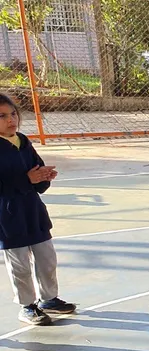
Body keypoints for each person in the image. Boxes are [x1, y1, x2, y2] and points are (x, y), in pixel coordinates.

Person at [0, 93, 75, 325]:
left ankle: (49, 299)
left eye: (13, 114)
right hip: (9, 218)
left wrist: (44, 178)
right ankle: (27, 306)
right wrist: (26, 180)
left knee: (47, 259)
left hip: (34, 213)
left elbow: (37, 173)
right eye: (2, 116)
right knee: (20, 265)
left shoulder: (23, 141)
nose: (11, 120)